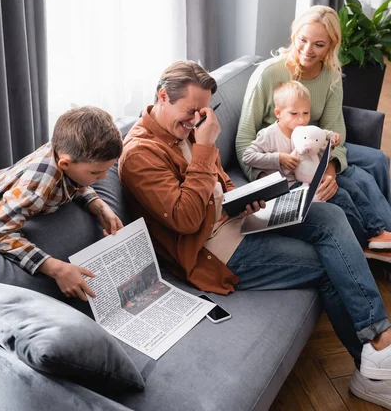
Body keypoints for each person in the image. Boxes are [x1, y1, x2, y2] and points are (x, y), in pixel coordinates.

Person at [119, 60, 391, 408]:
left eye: (201, 112)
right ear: (162, 97)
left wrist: (243, 198)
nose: (194, 121)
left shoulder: (184, 128)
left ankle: (379, 337)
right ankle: (369, 369)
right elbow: (186, 219)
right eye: (189, 111)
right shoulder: (140, 154)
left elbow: (219, 181)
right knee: (326, 265)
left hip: (236, 219)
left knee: (330, 215)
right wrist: (204, 146)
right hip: (213, 249)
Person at [236, 5, 391, 251]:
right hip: (285, 154)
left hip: (317, 146)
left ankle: (385, 237)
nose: (308, 50)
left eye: (319, 44)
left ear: (331, 45)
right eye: (303, 40)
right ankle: (379, 237)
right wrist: (267, 178)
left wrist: (329, 171)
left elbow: (334, 126)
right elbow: (244, 140)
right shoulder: (268, 74)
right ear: (294, 36)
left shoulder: (330, 75)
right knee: (360, 177)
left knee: (377, 160)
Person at [0, 106, 123, 301]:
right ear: (64, 164)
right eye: (96, 173)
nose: (103, 177)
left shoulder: (68, 153)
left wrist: (99, 205)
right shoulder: (35, 190)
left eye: (107, 169)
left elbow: (76, 181)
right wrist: (56, 268)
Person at [242, 80, 391, 250]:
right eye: (294, 113)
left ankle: (377, 230)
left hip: (313, 178)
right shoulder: (269, 135)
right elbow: (248, 156)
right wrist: (278, 158)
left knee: (351, 186)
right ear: (278, 113)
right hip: (291, 187)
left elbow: (321, 142)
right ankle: (363, 240)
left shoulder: (307, 131)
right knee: (340, 196)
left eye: (306, 113)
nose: (301, 119)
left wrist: (330, 142)